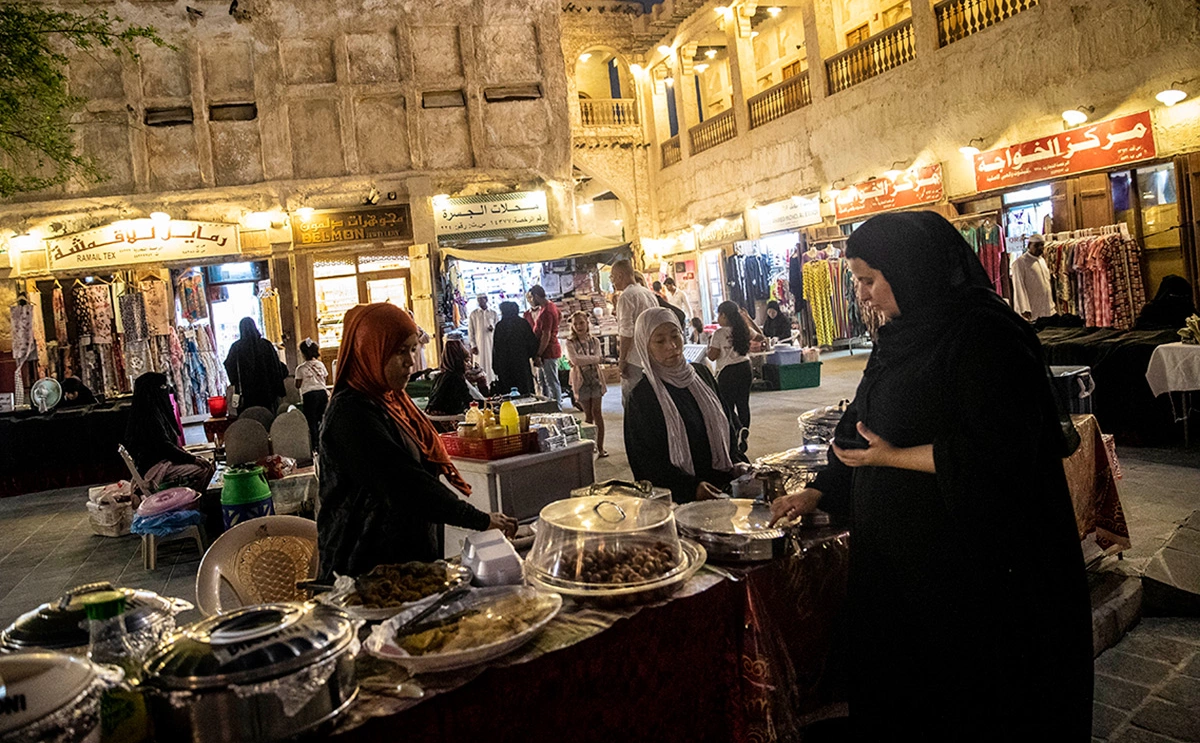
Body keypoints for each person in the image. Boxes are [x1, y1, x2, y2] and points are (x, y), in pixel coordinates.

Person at [769, 212, 1092, 741]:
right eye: (855, 281)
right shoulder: (901, 334)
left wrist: (891, 459)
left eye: (869, 280)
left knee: (969, 702)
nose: (862, 296)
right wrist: (819, 488)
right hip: (901, 568)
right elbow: (862, 419)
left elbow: (1004, 454)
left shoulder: (985, 336)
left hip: (970, 574)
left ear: (911, 270)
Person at [317, 303, 516, 578]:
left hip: (408, 560)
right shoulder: (350, 414)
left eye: (413, 349)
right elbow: (402, 481)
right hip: (364, 571)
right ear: (370, 350)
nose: (411, 361)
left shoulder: (392, 401)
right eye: (399, 351)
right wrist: (479, 519)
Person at [624, 308, 745, 503]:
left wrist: (738, 464)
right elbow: (645, 462)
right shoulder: (642, 397)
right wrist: (690, 488)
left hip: (723, 489)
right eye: (660, 341)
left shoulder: (702, 376)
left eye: (675, 336)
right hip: (681, 503)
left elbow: (727, 423)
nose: (672, 346)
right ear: (645, 347)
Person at [124, 372, 214, 494]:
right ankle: (194, 500)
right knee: (205, 469)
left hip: (159, 462)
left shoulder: (151, 410)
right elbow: (164, 446)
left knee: (204, 463)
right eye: (162, 387)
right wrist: (192, 459)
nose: (166, 391)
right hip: (155, 468)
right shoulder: (149, 416)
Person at [611, 259, 660, 401]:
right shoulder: (648, 293)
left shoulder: (626, 297)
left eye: (613, 277)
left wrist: (622, 360)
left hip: (635, 358)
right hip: (652, 355)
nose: (613, 282)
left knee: (634, 400)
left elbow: (627, 333)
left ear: (620, 276)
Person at [566, 311, 608, 457]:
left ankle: (601, 447)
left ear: (587, 323)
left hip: (595, 378)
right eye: (576, 323)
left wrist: (585, 359)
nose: (579, 326)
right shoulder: (570, 342)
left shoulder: (595, 341)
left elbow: (598, 357)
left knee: (598, 413)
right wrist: (593, 359)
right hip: (580, 380)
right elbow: (575, 360)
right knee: (588, 415)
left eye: (581, 323)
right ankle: (590, 447)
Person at [224, 317, 286, 415]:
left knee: (248, 416)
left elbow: (229, 365)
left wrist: (235, 380)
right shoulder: (265, 345)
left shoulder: (236, 347)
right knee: (267, 416)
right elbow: (275, 366)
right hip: (267, 390)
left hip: (246, 392)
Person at [707, 301, 752, 435]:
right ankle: (744, 431)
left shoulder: (719, 333)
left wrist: (708, 347)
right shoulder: (743, 329)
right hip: (745, 367)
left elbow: (712, 356)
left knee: (727, 405)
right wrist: (748, 319)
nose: (718, 318)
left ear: (724, 315)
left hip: (728, 372)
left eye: (719, 315)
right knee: (743, 403)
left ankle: (734, 431)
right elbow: (760, 336)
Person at [426, 337, 486, 415]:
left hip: (434, 418)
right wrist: (488, 404)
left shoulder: (441, 376)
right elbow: (469, 402)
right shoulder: (455, 378)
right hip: (445, 420)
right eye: (465, 361)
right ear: (459, 360)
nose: (467, 364)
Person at [492, 301, 540, 396]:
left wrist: (495, 366)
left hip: (504, 365)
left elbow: (496, 348)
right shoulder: (522, 323)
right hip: (521, 363)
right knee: (524, 389)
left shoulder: (500, 326)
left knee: (508, 390)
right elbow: (531, 342)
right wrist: (533, 355)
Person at [529, 285, 563, 408]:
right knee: (543, 381)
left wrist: (539, 353)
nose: (531, 300)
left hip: (548, 351)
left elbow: (546, 335)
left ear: (536, 296)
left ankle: (557, 408)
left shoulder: (547, 311)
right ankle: (548, 406)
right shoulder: (549, 306)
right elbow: (560, 316)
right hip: (547, 350)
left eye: (532, 297)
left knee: (552, 382)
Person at [1011, 233, 1055, 321]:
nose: (1040, 248)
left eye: (1042, 245)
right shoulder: (1020, 263)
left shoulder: (1042, 260)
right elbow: (1018, 287)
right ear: (1029, 245)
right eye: (1036, 245)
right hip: (1031, 309)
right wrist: (1024, 308)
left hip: (1047, 307)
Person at [294, 339, 328, 449]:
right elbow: (325, 378)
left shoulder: (301, 368)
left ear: (303, 353)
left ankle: (315, 445)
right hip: (322, 393)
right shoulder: (321, 365)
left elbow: (297, 385)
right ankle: (325, 442)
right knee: (323, 418)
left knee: (311, 421)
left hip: (309, 395)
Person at [467, 295, 498, 386]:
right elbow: (471, 331)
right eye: (478, 300)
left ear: (486, 300)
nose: (480, 302)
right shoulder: (474, 314)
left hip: (491, 344)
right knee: (479, 365)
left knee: (491, 363)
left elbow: (498, 327)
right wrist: (473, 345)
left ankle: (492, 384)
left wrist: (493, 328)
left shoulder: (493, 313)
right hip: (478, 344)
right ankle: (482, 385)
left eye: (481, 299)